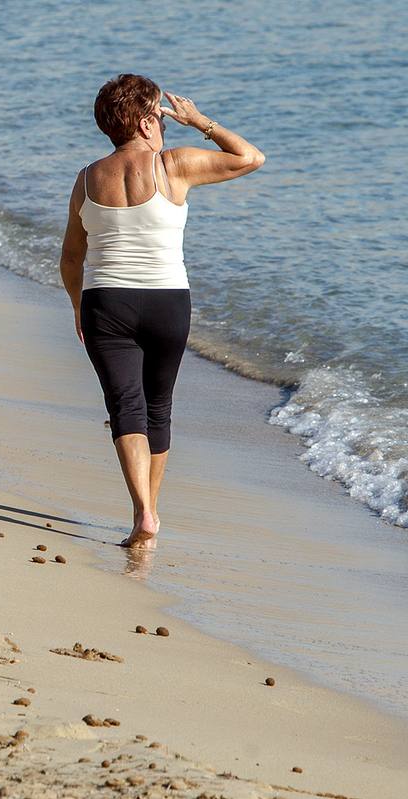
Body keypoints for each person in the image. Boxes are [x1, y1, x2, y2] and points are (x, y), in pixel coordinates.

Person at [60, 74, 264, 550]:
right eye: (162, 115)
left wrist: (76, 306)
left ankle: (143, 514)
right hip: (169, 301)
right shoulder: (174, 166)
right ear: (150, 119)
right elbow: (251, 158)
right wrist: (201, 122)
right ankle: (150, 512)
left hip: (106, 302)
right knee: (159, 406)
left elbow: (72, 256)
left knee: (124, 406)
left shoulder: (88, 178)